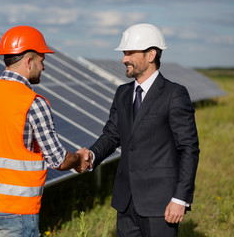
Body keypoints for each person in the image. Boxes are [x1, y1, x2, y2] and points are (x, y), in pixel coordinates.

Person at [0, 26, 91, 237]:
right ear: (29, 61)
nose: (43, 67)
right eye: (42, 61)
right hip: (14, 214)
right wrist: (79, 158)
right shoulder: (33, 103)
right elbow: (58, 160)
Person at [85, 23, 200, 236]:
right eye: (124, 53)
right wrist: (91, 155)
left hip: (161, 203)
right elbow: (112, 135)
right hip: (126, 201)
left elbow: (189, 148)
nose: (123, 59)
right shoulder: (122, 93)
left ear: (151, 55)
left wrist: (180, 198)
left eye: (129, 53)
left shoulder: (174, 94)